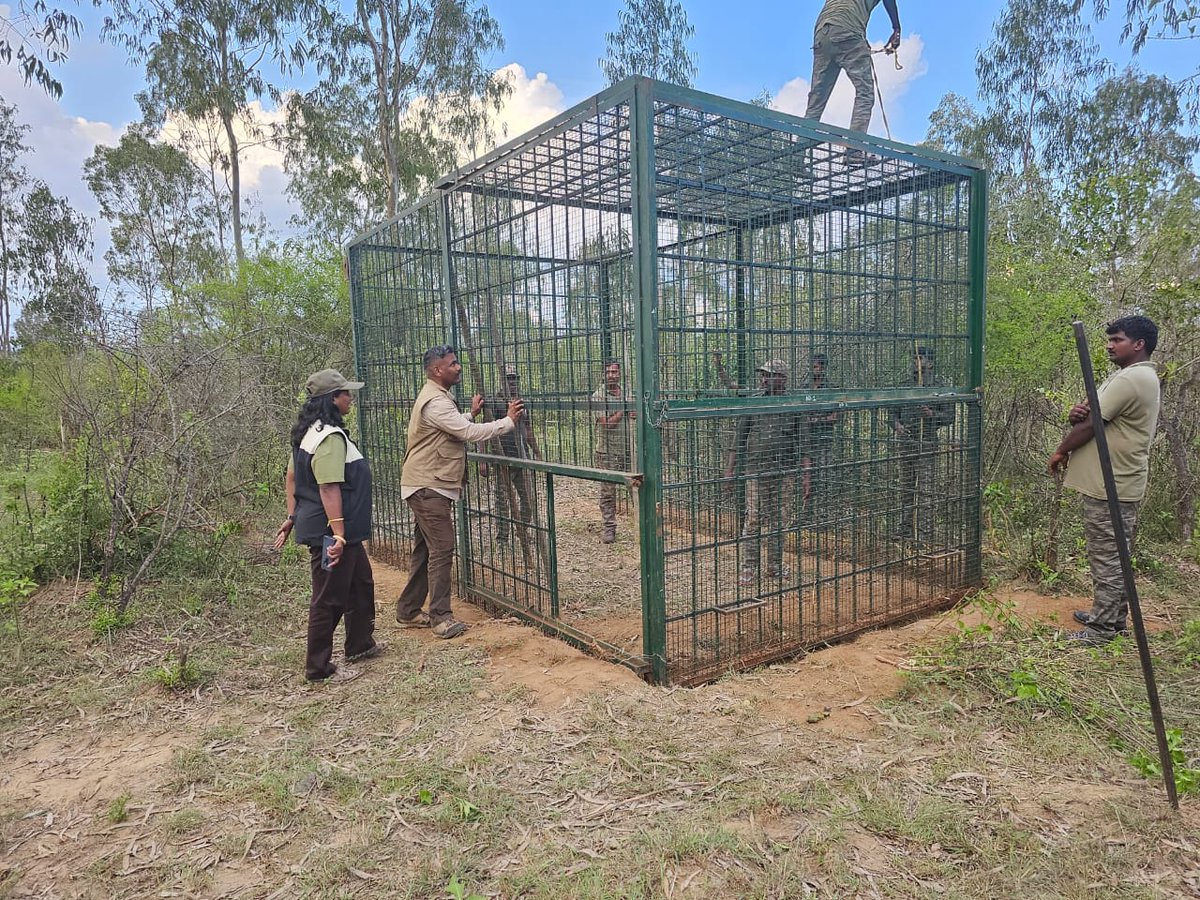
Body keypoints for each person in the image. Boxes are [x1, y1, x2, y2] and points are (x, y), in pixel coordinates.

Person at [396, 345, 524, 639]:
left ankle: (408, 609)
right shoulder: (436, 402)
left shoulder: (437, 398)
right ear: (437, 370)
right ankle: (440, 618)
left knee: (425, 549)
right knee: (441, 549)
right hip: (429, 486)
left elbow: (449, 427)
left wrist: (470, 413)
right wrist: (508, 422)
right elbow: (466, 433)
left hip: (426, 483)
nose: (458, 367)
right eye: (453, 364)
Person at [1048, 316, 1161, 645]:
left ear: (1138, 344)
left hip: (1113, 483)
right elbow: (1087, 414)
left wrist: (1059, 451)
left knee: (1108, 558)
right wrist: (1075, 414)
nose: (1110, 345)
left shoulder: (1133, 379)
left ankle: (1100, 631)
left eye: (1118, 340)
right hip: (1114, 479)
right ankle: (1112, 616)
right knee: (1116, 555)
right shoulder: (1128, 376)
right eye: (1109, 339)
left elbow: (1092, 424)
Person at [274, 369, 381, 685]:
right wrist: (338, 534)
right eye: (346, 393)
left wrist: (292, 517)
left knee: (361, 583)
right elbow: (328, 487)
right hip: (332, 534)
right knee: (329, 596)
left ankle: (361, 644)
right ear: (333, 399)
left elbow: (292, 477)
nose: (350, 397)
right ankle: (318, 667)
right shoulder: (329, 438)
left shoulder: (310, 432)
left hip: (335, 530)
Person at [724, 360, 803, 585]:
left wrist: (806, 477)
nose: (764, 380)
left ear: (783, 379)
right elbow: (738, 440)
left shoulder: (793, 404)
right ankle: (749, 568)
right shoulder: (753, 403)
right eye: (762, 376)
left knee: (779, 521)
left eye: (769, 375)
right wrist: (729, 472)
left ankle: (774, 566)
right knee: (754, 519)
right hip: (756, 471)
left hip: (784, 472)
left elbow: (805, 443)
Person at [805, 0, 902, 135]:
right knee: (865, 92)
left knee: (816, 99)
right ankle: (854, 151)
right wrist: (896, 28)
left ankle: (798, 151)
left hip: (822, 32)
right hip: (848, 28)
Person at [892, 347, 955, 546]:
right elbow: (892, 414)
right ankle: (904, 532)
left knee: (926, 492)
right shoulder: (903, 386)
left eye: (921, 358)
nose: (916, 362)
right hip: (905, 444)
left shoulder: (939, 387)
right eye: (914, 358)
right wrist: (898, 426)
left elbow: (950, 417)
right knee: (905, 489)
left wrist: (932, 415)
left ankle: (925, 537)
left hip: (926, 443)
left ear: (930, 363)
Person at [487, 364, 541, 543]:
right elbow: (484, 429)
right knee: (502, 500)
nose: (512, 382)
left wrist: (537, 452)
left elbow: (528, 428)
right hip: (502, 459)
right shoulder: (496, 401)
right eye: (509, 378)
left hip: (521, 458)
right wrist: (482, 459)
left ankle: (523, 531)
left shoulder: (521, 402)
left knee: (528, 499)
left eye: (515, 378)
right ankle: (502, 537)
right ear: (503, 381)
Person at [591, 360, 635, 544]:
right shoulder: (599, 396)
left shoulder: (626, 391)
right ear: (604, 374)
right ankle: (609, 528)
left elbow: (634, 413)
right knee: (608, 492)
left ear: (619, 373)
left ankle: (643, 525)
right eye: (608, 372)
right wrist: (623, 409)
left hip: (628, 450)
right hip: (607, 452)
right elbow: (606, 424)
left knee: (637, 486)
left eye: (614, 372)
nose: (611, 375)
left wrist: (631, 410)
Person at [801, 353, 840, 516]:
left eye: (816, 366)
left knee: (823, 477)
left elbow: (834, 417)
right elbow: (800, 416)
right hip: (805, 441)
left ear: (823, 368)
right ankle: (805, 513)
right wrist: (819, 418)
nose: (813, 369)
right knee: (805, 477)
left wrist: (812, 419)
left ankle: (822, 515)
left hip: (823, 441)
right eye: (811, 366)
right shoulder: (803, 388)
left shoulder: (832, 389)